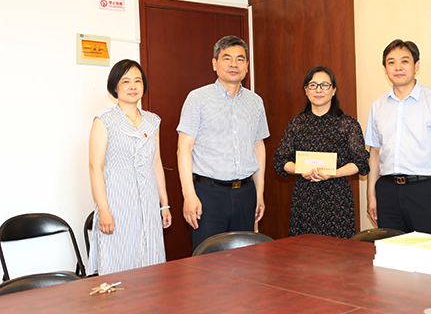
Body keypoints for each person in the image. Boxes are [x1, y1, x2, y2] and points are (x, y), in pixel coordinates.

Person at [177, 35, 269, 251]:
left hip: (246, 193)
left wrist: (259, 193)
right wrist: (189, 195)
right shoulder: (197, 99)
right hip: (207, 195)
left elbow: (258, 147)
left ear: (247, 65)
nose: (233, 64)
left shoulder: (255, 102)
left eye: (240, 59)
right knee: (207, 261)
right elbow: (184, 149)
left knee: (245, 259)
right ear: (214, 63)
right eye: (227, 58)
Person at [365, 39, 431, 236]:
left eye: (404, 61)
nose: (397, 67)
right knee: (391, 251)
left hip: (425, 190)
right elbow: (374, 153)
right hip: (387, 192)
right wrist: (371, 195)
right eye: (391, 62)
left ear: (416, 66)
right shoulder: (378, 105)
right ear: (385, 69)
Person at [88, 59, 172, 275]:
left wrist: (164, 204)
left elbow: (156, 163)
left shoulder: (153, 121)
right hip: (118, 202)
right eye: (126, 81)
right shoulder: (104, 120)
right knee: (118, 261)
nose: (133, 86)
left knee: (151, 260)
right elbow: (95, 168)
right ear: (115, 86)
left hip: (148, 202)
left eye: (137, 80)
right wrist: (104, 211)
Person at [274, 66, 369, 238]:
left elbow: (361, 163)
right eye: (313, 85)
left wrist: (334, 173)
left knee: (337, 250)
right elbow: (281, 161)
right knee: (303, 249)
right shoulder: (296, 124)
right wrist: (300, 169)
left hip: (337, 198)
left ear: (333, 90)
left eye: (325, 85)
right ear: (306, 90)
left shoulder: (347, 124)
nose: (318, 90)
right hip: (304, 199)